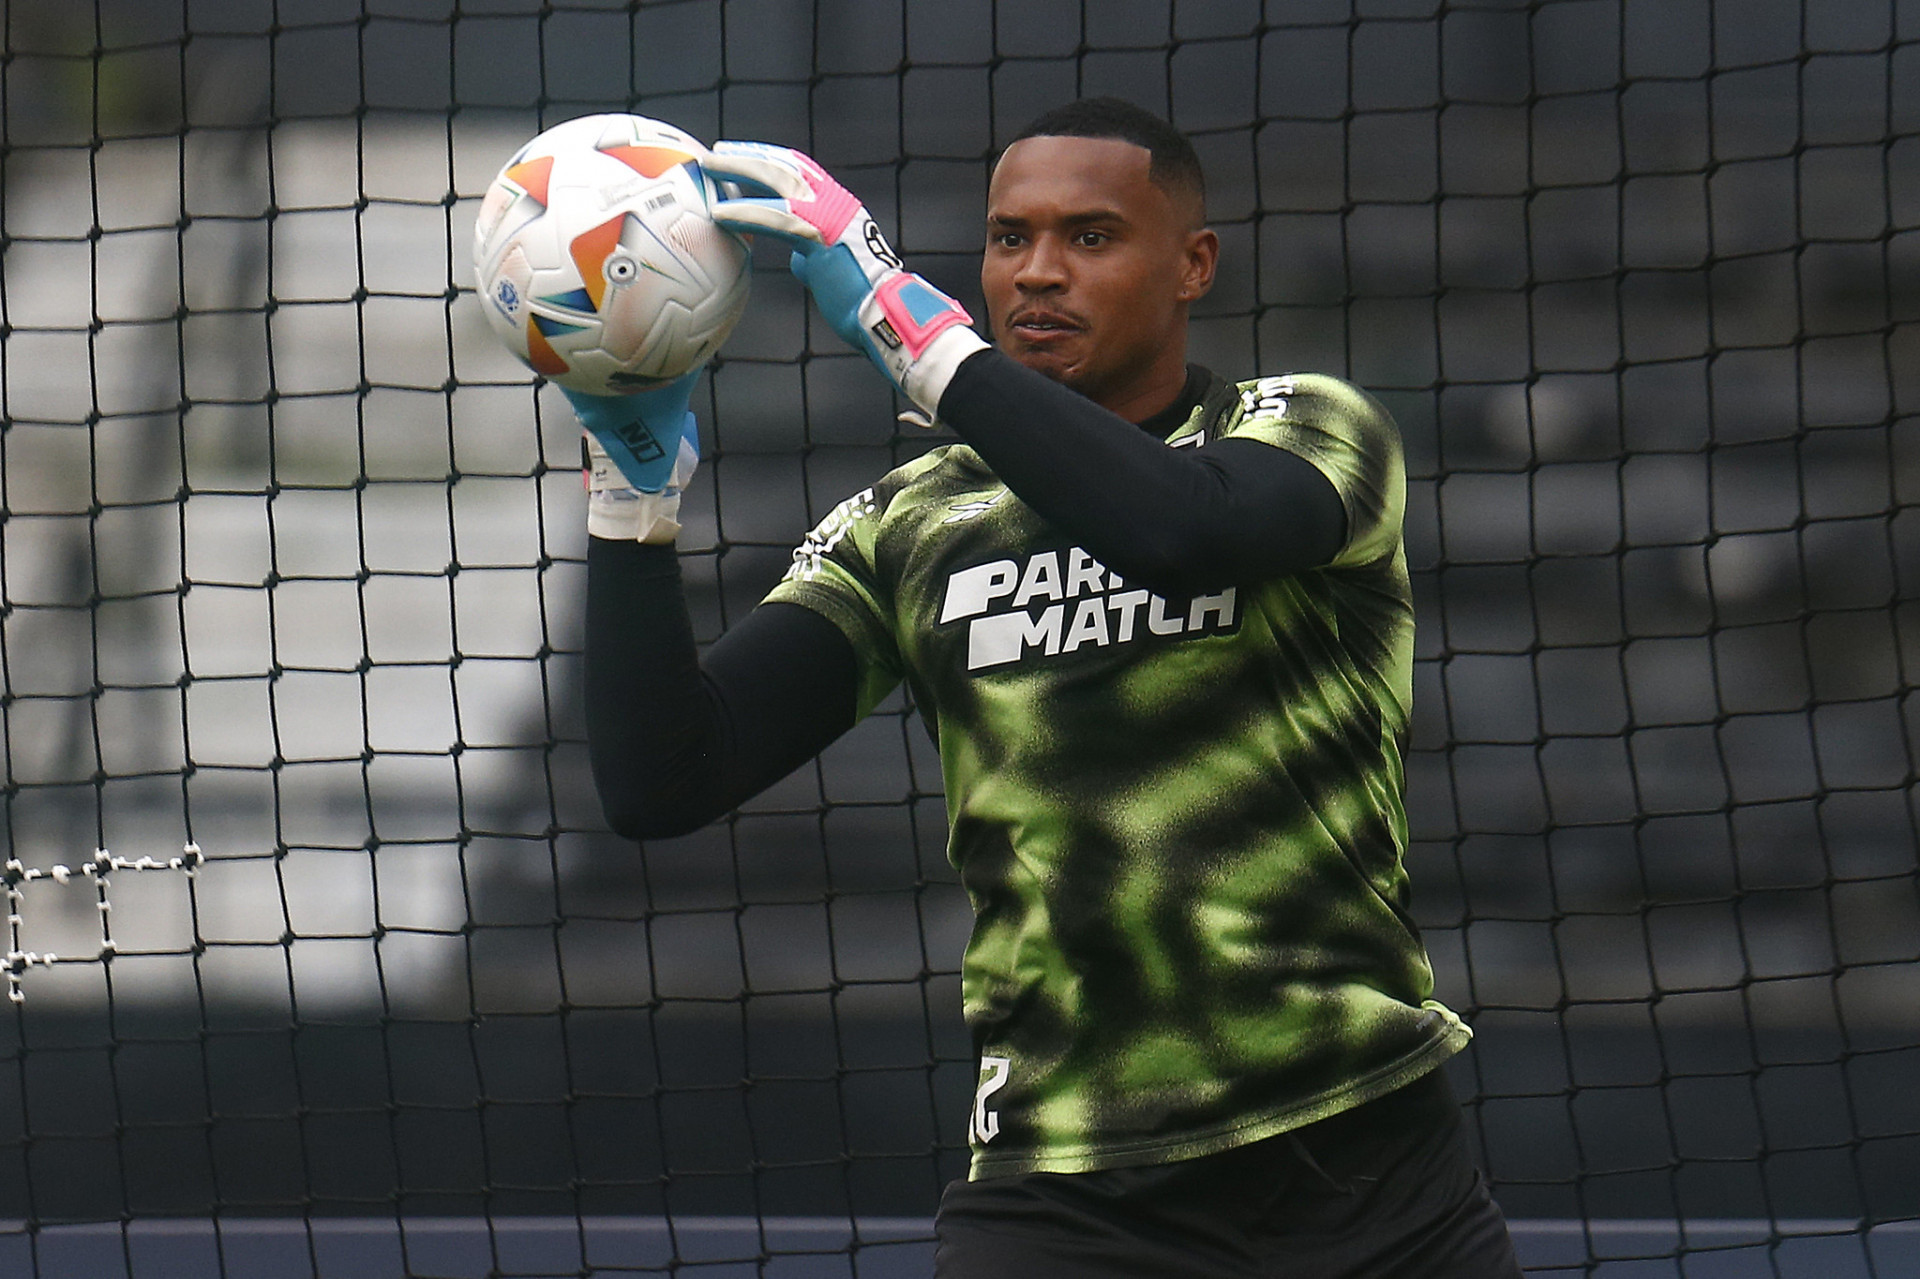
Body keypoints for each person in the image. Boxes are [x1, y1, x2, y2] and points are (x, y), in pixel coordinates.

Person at [572, 98, 1522, 1278]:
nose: (1037, 275)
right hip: (1067, 1198)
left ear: (1192, 265)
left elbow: (1182, 529)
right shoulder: (912, 524)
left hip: (1366, 1175)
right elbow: (666, 775)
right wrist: (630, 503)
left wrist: (910, 330)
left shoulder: (1306, 429)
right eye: (1010, 239)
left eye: (1088, 237)